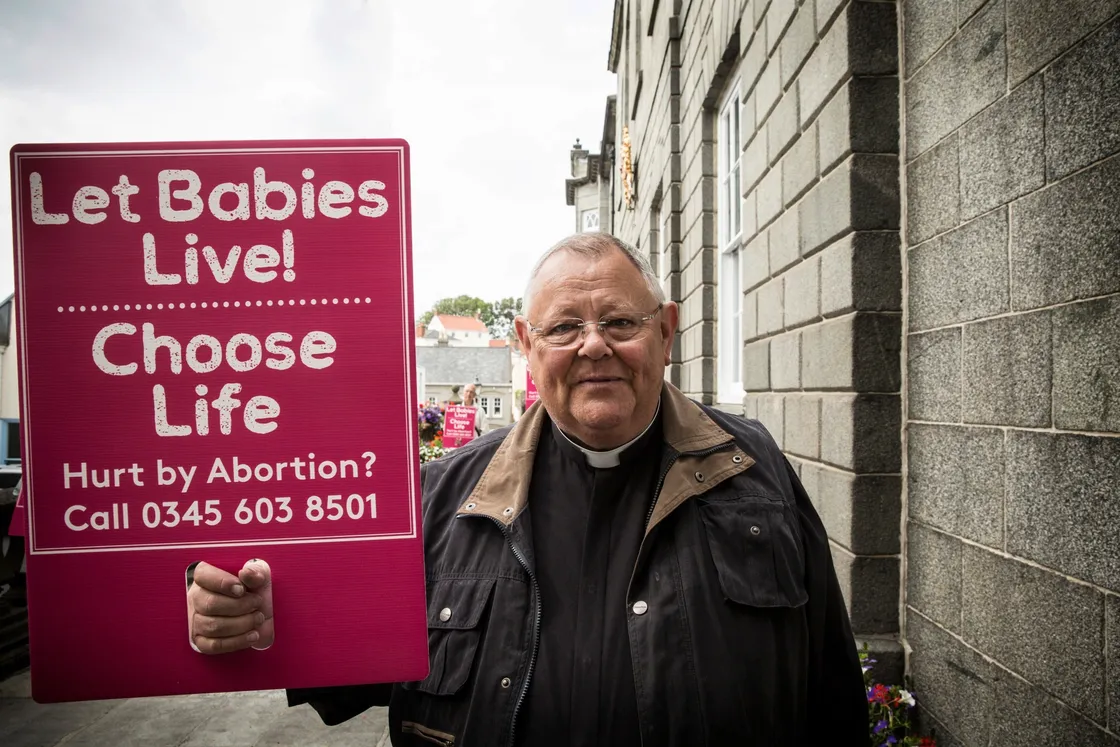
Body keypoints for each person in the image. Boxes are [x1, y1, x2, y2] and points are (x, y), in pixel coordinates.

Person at [186, 233, 870, 746]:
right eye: (565, 326)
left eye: (621, 322)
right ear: (525, 344)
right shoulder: (439, 501)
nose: (594, 345)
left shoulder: (756, 474)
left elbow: (832, 691)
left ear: (665, 331)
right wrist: (259, 617)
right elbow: (339, 656)